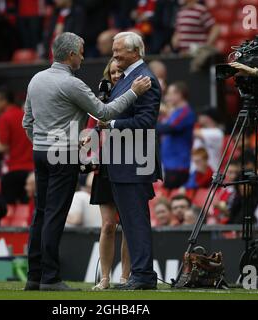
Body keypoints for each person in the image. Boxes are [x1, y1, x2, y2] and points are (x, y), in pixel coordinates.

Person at [22, 32, 152, 291]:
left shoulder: (36, 79)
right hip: (63, 154)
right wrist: (134, 92)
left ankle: (34, 276)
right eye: (81, 51)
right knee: (55, 215)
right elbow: (103, 113)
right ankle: (50, 278)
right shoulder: (73, 84)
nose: (83, 55)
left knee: (40, 213)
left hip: (40, 152)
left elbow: (27, 121)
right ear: (71, 55)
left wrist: (42, 142)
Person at [102, 31, 162, 290]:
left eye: (119, 51)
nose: (114, 55)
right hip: (124, 162)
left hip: (134, 163)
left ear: (136, 52)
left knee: (135, 221)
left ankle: (143, 276)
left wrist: (112, 123)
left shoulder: (144, 79)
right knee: (130, 221)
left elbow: (146, 123)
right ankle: (141, 274)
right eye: (114, 50)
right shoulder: (128, 79)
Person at [88, 58, 131, 290]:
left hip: (129, 163)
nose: (116, 76)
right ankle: (105, 278)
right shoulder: (99, 101)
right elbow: (91, 129)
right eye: (113, 72)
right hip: (105, 166)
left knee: (128, 224)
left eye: (120, 71)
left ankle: (125, 277)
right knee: (107, 225)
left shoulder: (134, 96)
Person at [0, 87, 34, 205]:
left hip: (14, 171)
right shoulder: (25, 116)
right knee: (27, 208)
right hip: (30, 170)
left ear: (4, 101)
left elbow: (4, 147)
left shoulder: (5, 118)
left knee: (9, 210)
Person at [157, 82, 196, 189]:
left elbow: (169, 128)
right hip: (169, 163)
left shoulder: (185, 112)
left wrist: (146, 125)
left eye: (170, 94)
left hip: (178, 165)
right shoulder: (175, 112)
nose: (167, 97)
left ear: (179, 95)